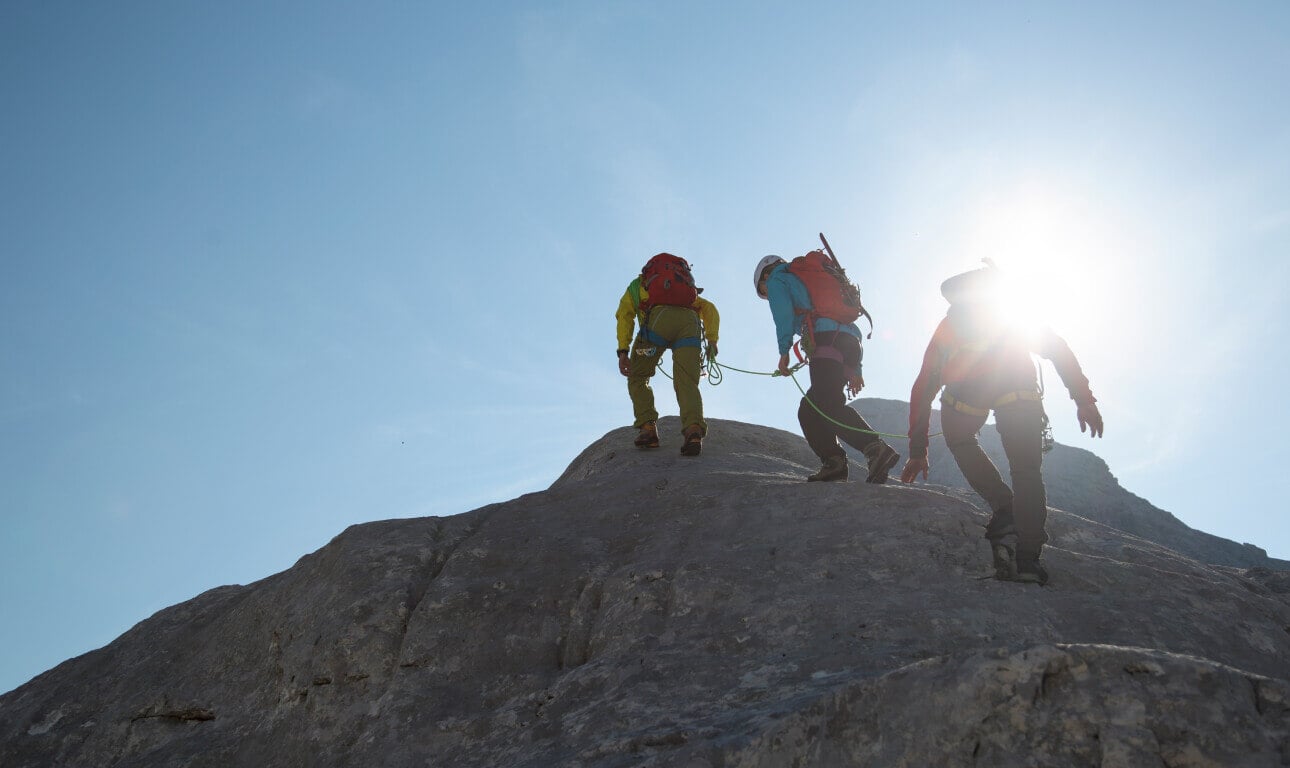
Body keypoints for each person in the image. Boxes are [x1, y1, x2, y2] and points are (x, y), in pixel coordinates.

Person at [899, 265, 1104, 585]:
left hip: (965, 401)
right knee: (1026, 471)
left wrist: (917, 449)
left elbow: (924, 386)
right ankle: (1027, 559)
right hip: (1020, 395)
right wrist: (1084, 400)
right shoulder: (1011, 314)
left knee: (960, 439)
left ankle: (1003, 507)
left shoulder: (950, 324)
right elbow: (1058, 349)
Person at [754, 254, 901, 483]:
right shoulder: (809, 276)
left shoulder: (777, 278)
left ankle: (874, 448)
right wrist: (856, 369)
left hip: (827, 338)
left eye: (763, 292)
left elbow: (782, 314)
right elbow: (846, 325)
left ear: (765, 275)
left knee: (826, 404)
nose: (766, 295)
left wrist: (783, 351)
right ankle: (834, 463)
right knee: (810, 409)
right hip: (850, 341)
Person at [616, 254, 719, 456]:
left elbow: (624, 316)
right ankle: (693, 431)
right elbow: (710, 309)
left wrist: (623, 350)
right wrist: (712, 339)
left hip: (657, 327)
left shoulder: (639, 286)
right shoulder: (685, 291)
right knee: (687, 382)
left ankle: (648, 430)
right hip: (689, 325)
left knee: (638, 376)